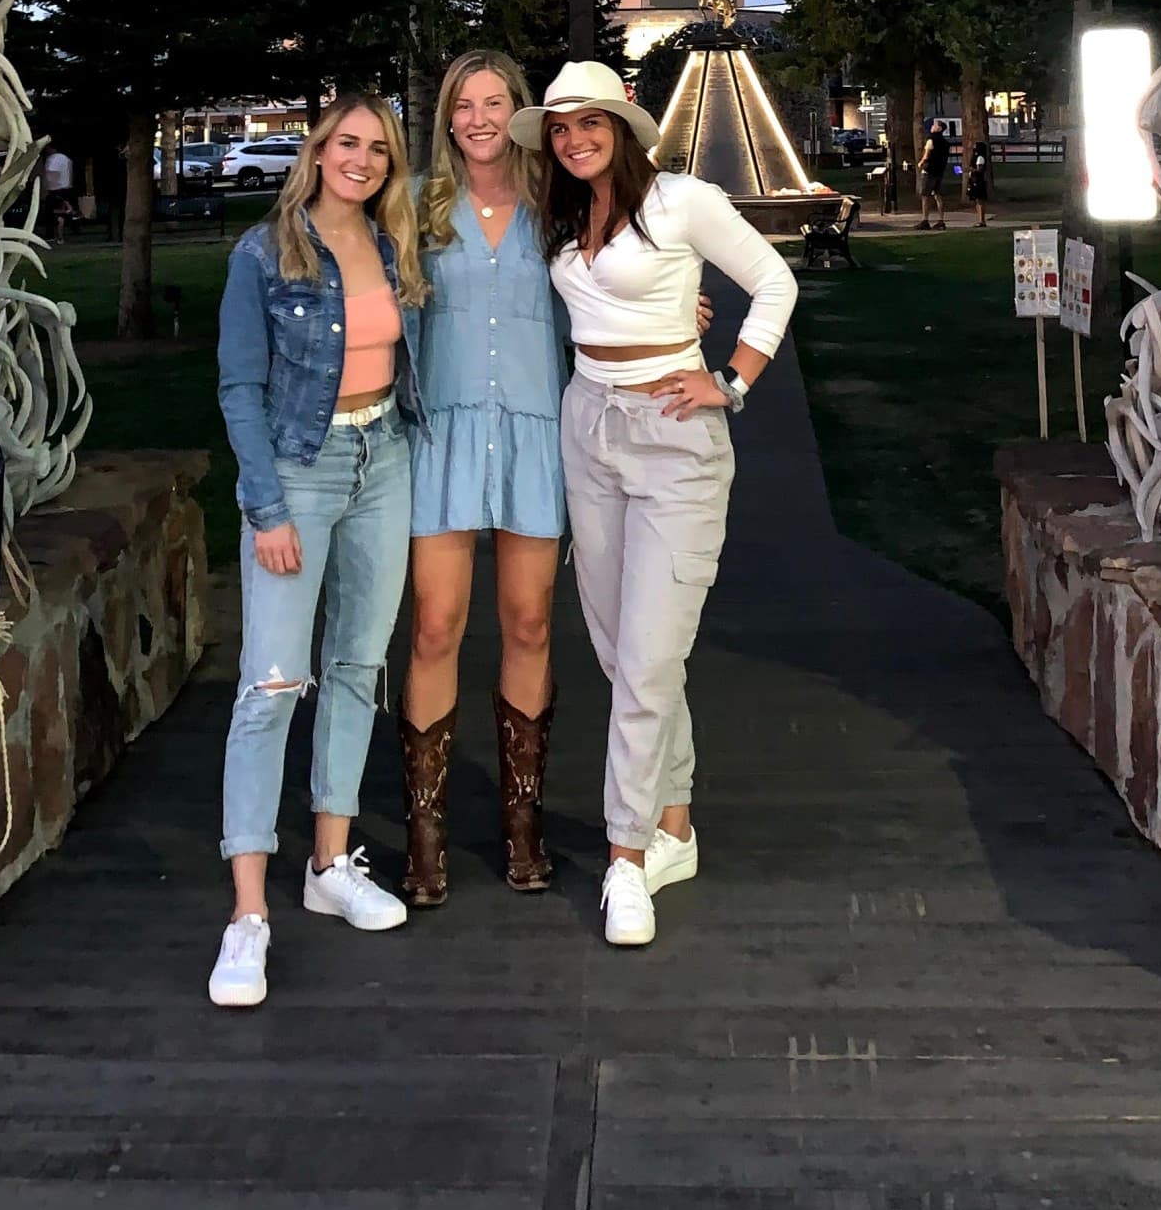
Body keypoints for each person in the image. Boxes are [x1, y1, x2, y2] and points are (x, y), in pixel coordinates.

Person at [512, 60, 797, 949]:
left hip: (674, 437)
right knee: (619, 649)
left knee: (645, 659)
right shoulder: (562, 215)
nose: (574, 140)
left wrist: (732, 381)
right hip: (588, 427)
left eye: (590, 123)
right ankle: (674, 821)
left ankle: (626, 858)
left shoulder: (683, 200)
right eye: (560, 129)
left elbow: (775, 279)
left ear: (626, 128)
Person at [207, 94, 428, 1009]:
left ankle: (329, 862)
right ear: (319, 149)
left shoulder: (393, 246)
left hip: (386, 460)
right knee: (271, 682)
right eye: (348, 142)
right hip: (300, 469)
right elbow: (238, 386)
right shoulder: (265, 252)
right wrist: (266, 508)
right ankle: (248, 915)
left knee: (356, 665)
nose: (363, 159)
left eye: (379, 148)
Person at [400, 51, 564, 904]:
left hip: (535, 438)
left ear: (518, 110)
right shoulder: (419, 206)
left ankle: (523, 828)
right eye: (463, 103)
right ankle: (425, 839)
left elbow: (608, 291)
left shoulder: (555, 207)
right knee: (434, 625)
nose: (477, 116)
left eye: (494, 101)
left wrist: (675, 307)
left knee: (529, 622)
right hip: (445, 440)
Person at [917, 120, 950, 230]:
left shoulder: (931, 139)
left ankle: (925, 220)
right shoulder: (945, 143)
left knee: (925, 196)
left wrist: (921, 163)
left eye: (934, 125)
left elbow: (927, 155)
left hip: (929, 171)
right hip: (940, 171)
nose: (932, 126)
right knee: (938, 195)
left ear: (939, 128)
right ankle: (941, 220)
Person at [40, 141, 75, 244]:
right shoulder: (66, 159)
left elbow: (50, 172)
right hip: (66, 187)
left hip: (55, 189)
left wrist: (47, 186)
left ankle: (52, 235)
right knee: (62, 213)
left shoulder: (51, 159)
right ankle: (61, 235)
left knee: (52, 213)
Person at [965, 134, 991, 229]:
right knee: (977, 200)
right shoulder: (976, 156)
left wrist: (970, 170)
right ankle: (980, 219)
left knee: (980, 200)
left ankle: (981, 220)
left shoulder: (980, 157)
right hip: (975, 179)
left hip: (978, 180)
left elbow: (979, 169)